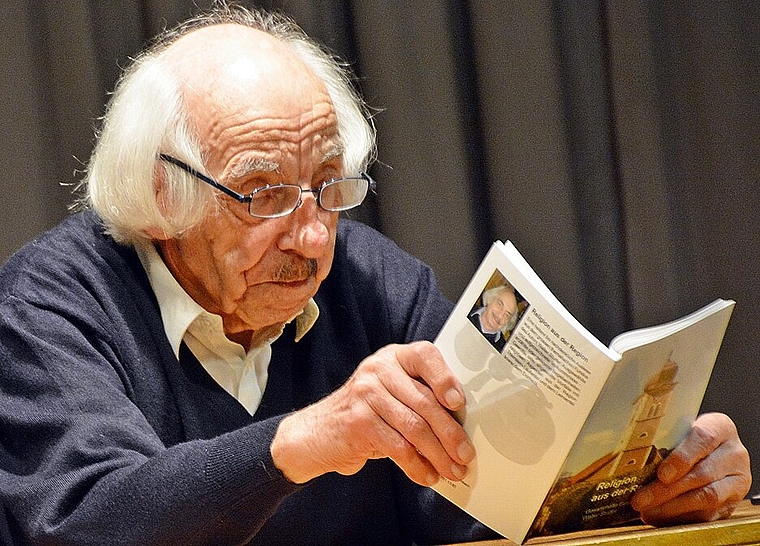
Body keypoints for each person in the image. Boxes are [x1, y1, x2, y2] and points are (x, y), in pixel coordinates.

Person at [0, 3, 751, 545]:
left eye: (329, 186)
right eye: (264, 194)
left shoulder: (369, 281)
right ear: (161, 194)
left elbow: (482, 501)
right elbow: (86, 520)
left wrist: (654, 487)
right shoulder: (51, 306)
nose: (312, 234)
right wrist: (306, 440)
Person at [468, 284, 519, 351]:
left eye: (507, 315)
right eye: (500, 304)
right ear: (489, 300)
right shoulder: (464, 308)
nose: (500, 316)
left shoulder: (501, 351)